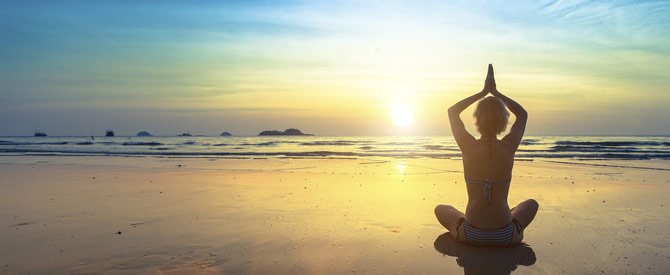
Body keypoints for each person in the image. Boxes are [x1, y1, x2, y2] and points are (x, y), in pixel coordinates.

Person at [435, 64, 538, 246]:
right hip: (506, 236)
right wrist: (496, 93)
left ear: (476, 119)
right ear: (504, 121)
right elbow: (522, 114)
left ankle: (465, 221)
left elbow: (452, 111)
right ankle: (509, 218)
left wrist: (483, 92)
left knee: (441, 209)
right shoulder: (509, 146)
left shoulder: (467, 146)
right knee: (531, 204)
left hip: (470, 234)